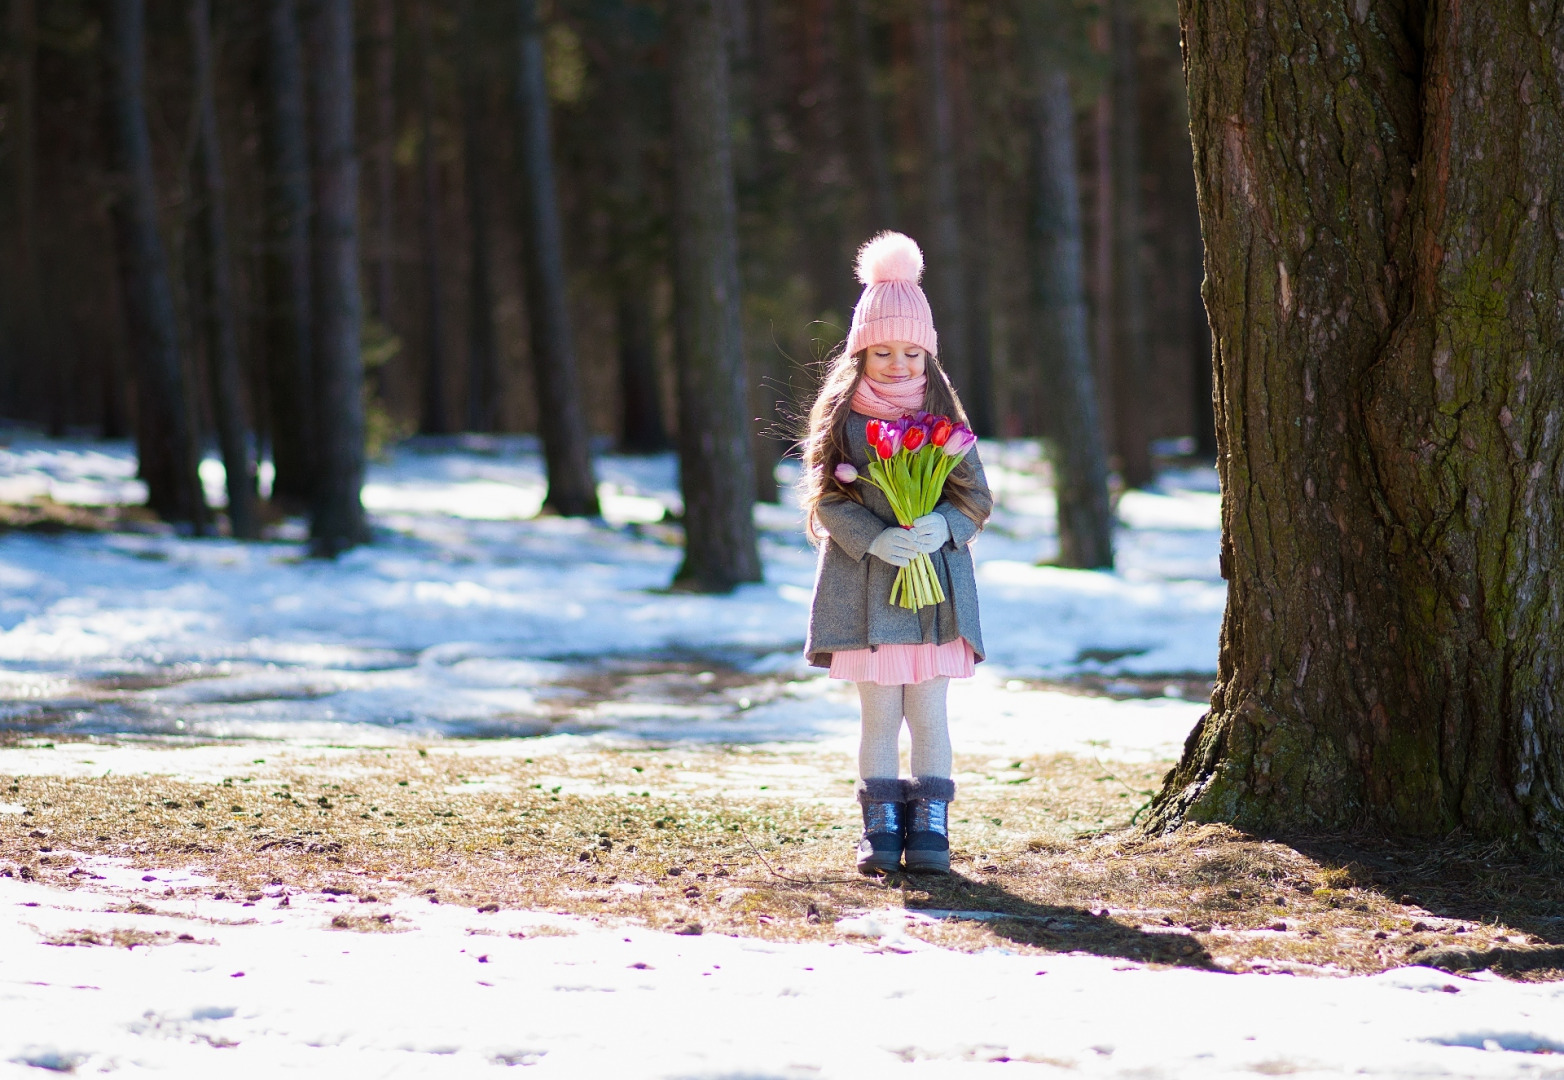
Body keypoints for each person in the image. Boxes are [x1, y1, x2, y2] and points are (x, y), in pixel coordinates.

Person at [798, 231, 992, 874]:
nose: (898, 364)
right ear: (859, 353)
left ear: (929, 356)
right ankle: (880, 829)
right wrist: (874, 536)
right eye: (881, 351)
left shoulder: (945, 419)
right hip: (866, 595)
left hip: (933, 594)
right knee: (880, 717)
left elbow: (975, 498)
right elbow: (825, 498)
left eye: (911, 352)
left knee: (929, 713)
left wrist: (940, 527)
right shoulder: (844, 420)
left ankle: (931, 830)